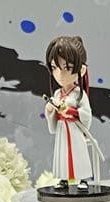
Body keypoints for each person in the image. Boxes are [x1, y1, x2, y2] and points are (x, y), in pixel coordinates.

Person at [43, 35, 101, 191]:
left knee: (78, 153)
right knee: (62, 153)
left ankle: (83, 178)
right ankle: (64, 179)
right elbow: (53, 116)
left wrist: (69, 111)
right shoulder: (57, 93)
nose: (60, 74)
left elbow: (86, 114)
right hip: (62, 128)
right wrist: (50, 110)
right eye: (55, 67)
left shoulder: (79, 94)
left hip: (75, 129)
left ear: (81, 70)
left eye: (67, 68)